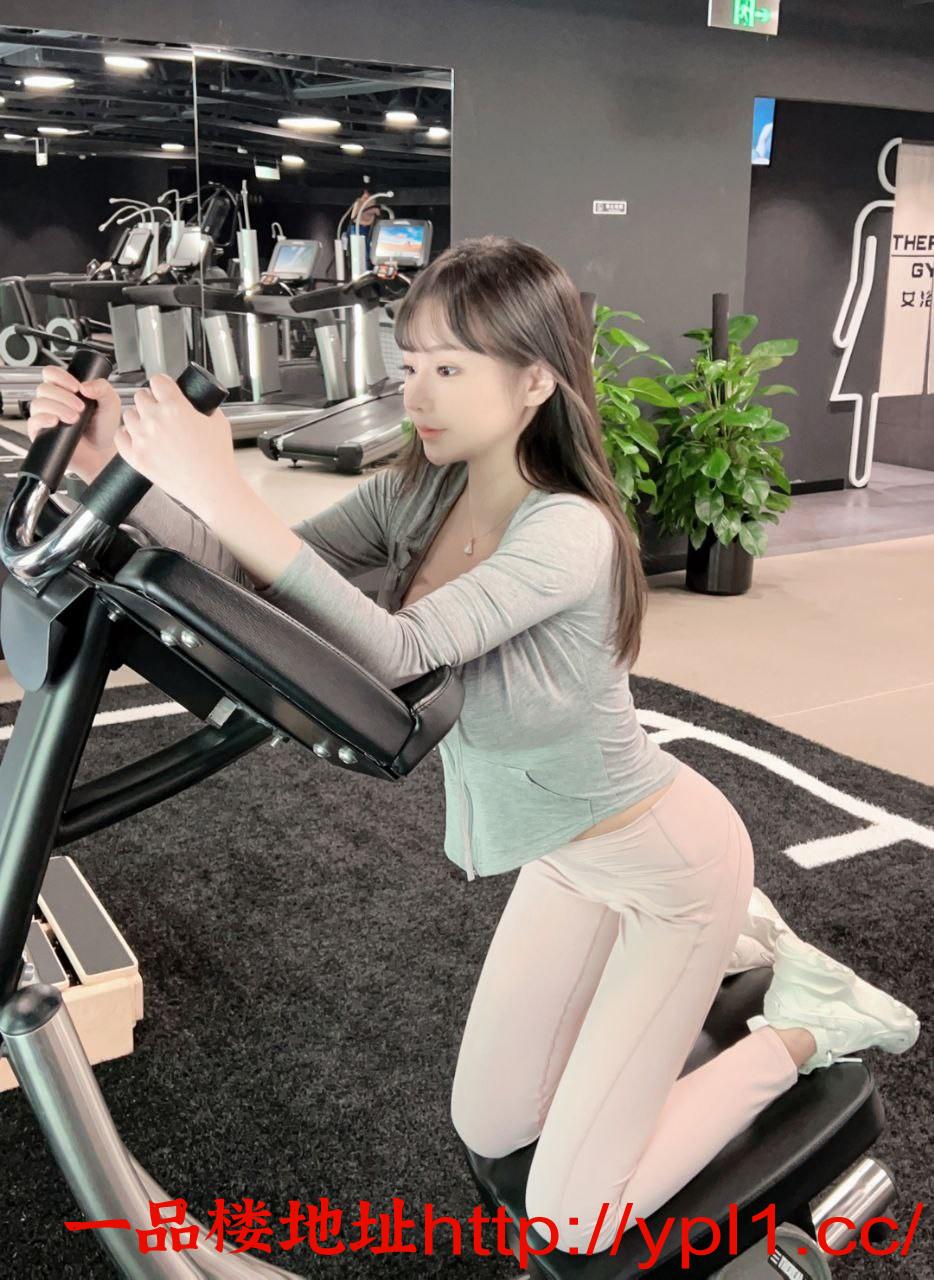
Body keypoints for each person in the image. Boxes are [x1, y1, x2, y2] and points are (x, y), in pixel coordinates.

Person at [26, 236, 920, 1254]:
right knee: (491, 1128)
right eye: (409, 364)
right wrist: (114, 470)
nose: (417, 393)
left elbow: (401, 652)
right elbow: (248, 575)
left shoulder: (569, 531)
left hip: (665, 864)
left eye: (450, 368)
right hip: (566, 859)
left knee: (574, 1220)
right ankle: (739, 944)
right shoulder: (418, 494)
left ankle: (808, 1020)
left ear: (535, 379)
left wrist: (221, 482)